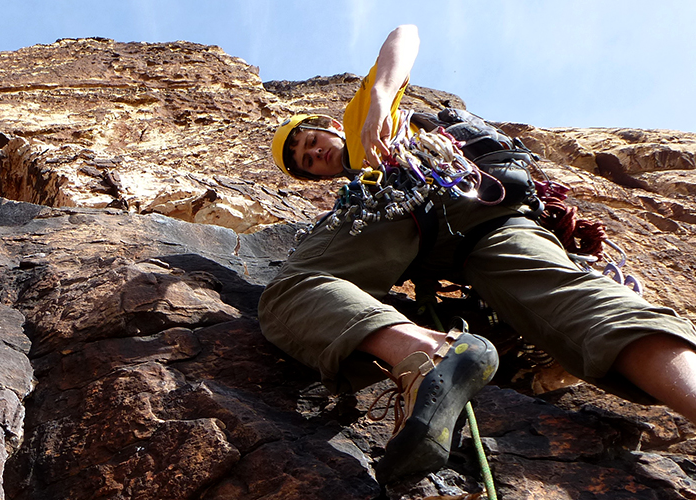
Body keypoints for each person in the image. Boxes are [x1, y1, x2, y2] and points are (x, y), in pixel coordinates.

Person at [258, 24, 696, 484]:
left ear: (327, 126)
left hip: (408, 201)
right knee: (580, 300)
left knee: (292, 290)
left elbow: (404, 34)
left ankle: (426, 354)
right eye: (306, 163)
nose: (315, 154)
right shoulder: (354, 168)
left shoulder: (360, 119)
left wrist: (381, 102)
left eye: (311, 142)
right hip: (486, 217)